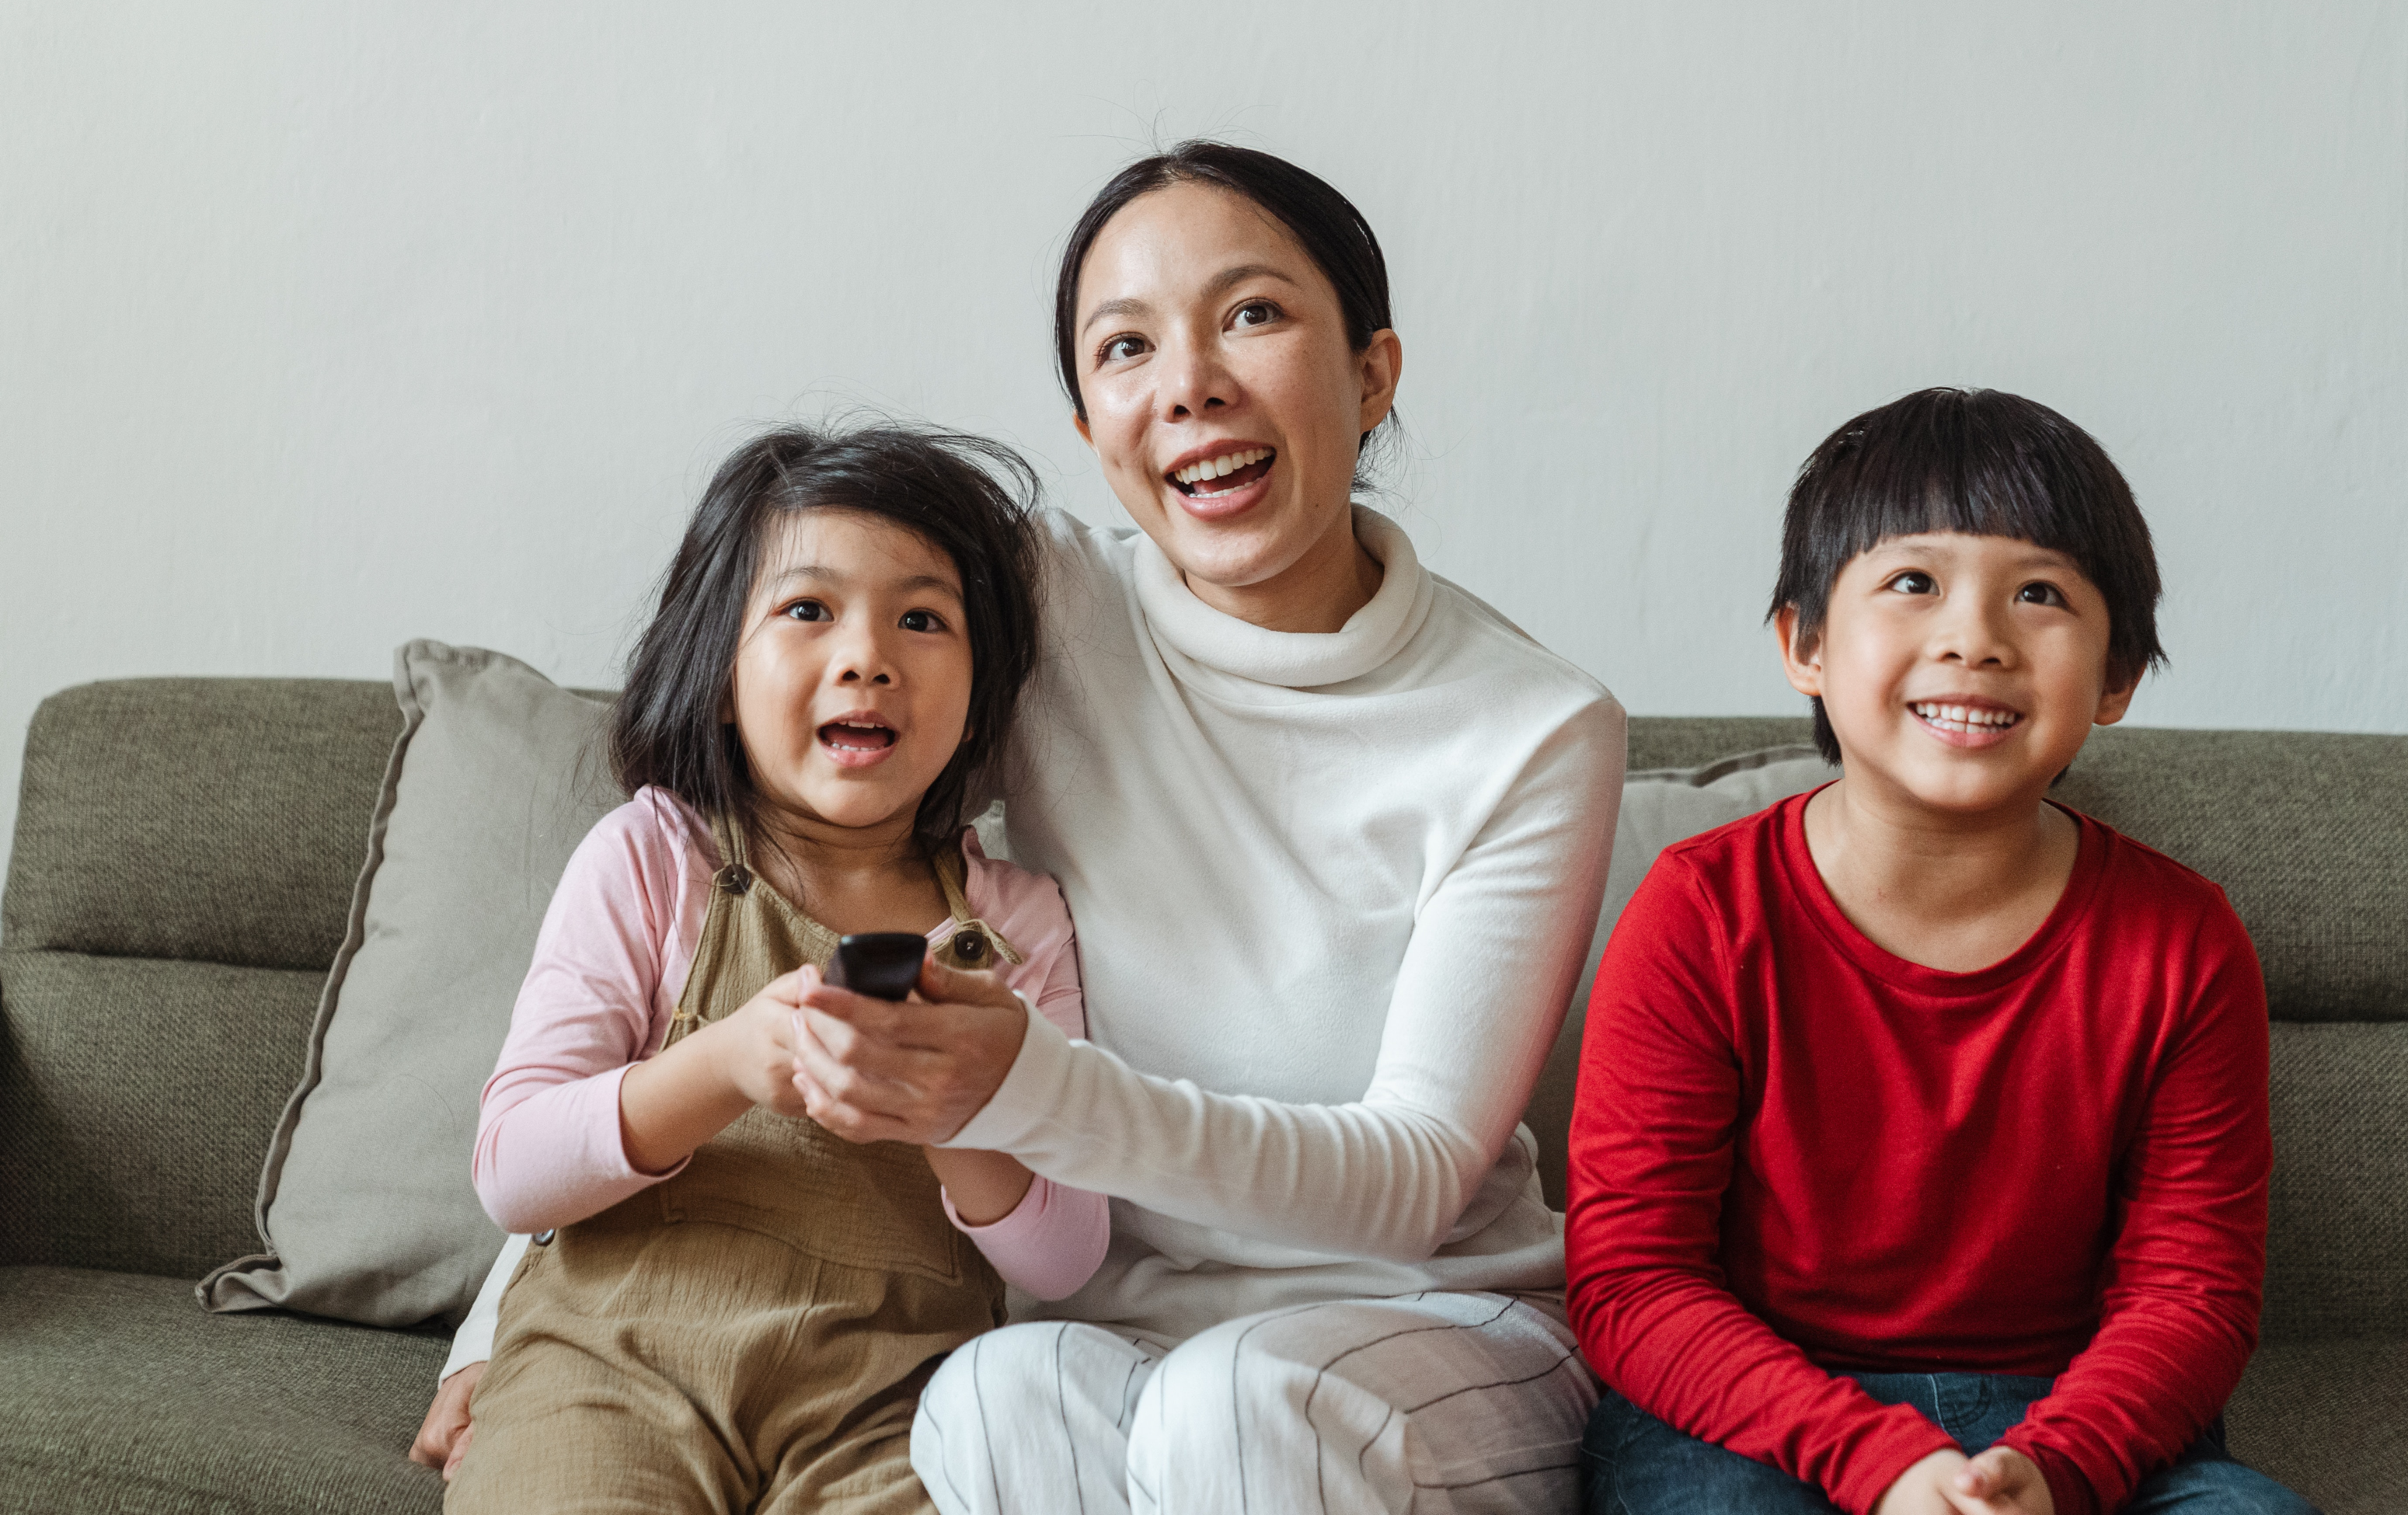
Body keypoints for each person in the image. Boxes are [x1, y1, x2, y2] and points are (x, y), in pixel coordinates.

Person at [419, 143, 1626, 1513]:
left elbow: (1412, 1181)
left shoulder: (1534, 726)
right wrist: (506, 1331)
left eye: (1253, 315)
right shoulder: (1040, 603)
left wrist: (1010, 1088)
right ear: (1090, 428)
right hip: (1120, 1333)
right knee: (988, 1398)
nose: (1190, 386)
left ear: (1371, 372)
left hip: (1420, 1320)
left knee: (1229, 1412)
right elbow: (729, 875)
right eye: (1126, 348)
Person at [1567, 388, 2313, 1515]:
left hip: (2066, 1422)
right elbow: (1635, 1281)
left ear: (2116, 678)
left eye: (2042, 594)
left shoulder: (2183, 940)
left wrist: (2050, 1469)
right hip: (1758, 1418)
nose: (1976, 639)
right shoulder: (1699, 913)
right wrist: (1881, 1463)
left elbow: (2191, 1296)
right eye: (1913, 583)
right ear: (1804, 644)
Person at [436, 423, 1108, 1514]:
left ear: (983, 697)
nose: (868, 656)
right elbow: (514, 1167)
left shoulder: (1014, 921)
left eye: (923, 618)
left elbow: (1067, 1255)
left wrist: (948, 1099)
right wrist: (727, 1063)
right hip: (612, 1368)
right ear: (716, 674)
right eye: (808, 609)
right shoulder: (652, 858)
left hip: (895, 1407)